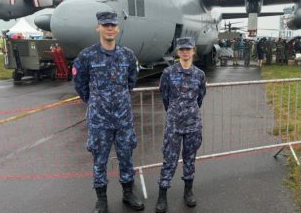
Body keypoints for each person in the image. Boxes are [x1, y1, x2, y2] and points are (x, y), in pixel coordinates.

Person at [72, 11, 144, 213]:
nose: (110, 29)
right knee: (99, 161)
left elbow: (131, 81)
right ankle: (101, 200)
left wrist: (118, 100)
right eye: (106, 25)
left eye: (113, 25)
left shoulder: (128, 55)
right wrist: (95, 101)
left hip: (123, 120)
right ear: (98, 28)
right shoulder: (87, 56)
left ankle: (128, 193)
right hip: (99, 122)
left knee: (126, 158)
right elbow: (80, 85)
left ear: (118, 28)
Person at [155, 37, 207, 213]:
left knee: (190, 158)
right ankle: (162, 195)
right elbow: (164, 96)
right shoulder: (168, 73)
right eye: (182, 49)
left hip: (193, 124)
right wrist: (175, 112)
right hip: (174, 125)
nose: (185, 52)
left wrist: (188, 111)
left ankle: (188, 191)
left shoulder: (199, 74)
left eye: (188, 49)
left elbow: (200, 97)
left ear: (193, 51)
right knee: (169, 159)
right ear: (178, 52)